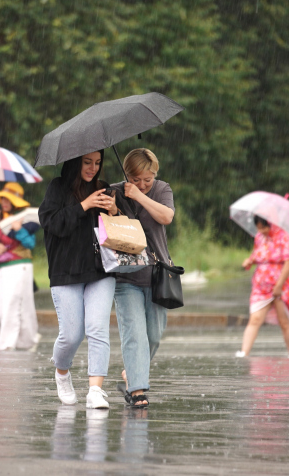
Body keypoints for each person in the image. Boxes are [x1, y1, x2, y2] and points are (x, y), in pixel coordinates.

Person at [39, 150, 119, 409]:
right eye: (87, 163)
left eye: (97, 163)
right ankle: (62, 372)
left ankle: (95, 390)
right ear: (75, 161)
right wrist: (84, 205)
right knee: (72, 335)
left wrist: (114, 210)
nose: (93, 169)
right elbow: (53, 223)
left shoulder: (103, 188)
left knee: (97, 329)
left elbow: (115, 231)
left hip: (100, 270)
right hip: (66, 271)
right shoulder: (58, 187)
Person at [111, 148, 175, 408]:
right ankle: (136, 390)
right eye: (135, 179)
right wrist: (115, 209)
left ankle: (133, 372)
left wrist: (140, 195)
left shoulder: (161, 190)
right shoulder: (115, 191)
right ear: (126, 174)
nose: (142, 184)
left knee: (154, 335)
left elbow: (166, 216)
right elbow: (107, 228)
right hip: (126, 276)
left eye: (147, 179)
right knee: (134, 334)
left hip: (158, 274)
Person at [0, 182, 41, 351]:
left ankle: (6, 346)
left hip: (20, 266)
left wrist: (19, 230)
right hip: (0, 268)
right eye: (3, 198)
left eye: (8, 199)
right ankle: (28, 340)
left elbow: (30, 244)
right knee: (3, 309)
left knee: (13, 306)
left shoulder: (25, 217)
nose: (4, 202)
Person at [238, 215, 289, 358]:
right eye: (258, 227)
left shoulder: (283, 237)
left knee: (284, 322)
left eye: (264, 227)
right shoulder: (260, 237)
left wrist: (279, 285)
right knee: (255, 319)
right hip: (261, 286)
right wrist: (249, 261)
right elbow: (256, 254)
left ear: (271, 224)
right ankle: (244, 352)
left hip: (279, 286)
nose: (261, 230)